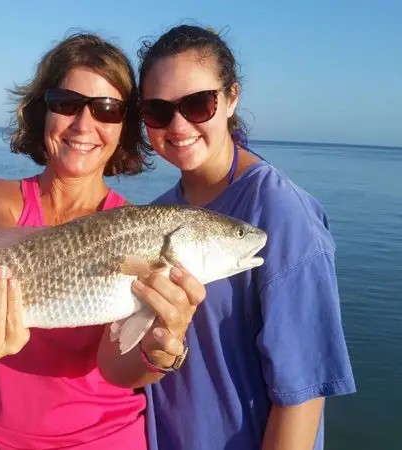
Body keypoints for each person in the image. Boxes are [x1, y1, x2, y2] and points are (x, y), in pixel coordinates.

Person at [0, 32, 205, 450]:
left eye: (107, 109)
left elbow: (115, 368)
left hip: (107, 439)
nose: (84, 125)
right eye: (66, 103)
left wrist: (160, 350)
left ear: (125, 127)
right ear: (41, 111)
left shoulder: (137, 231)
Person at [137, 25, 356, 450]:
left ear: (231, 97)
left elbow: (304, 391)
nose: (178, 125)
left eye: (198, 103)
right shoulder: (162, 212)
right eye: (159, 111)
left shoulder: (281, 213)